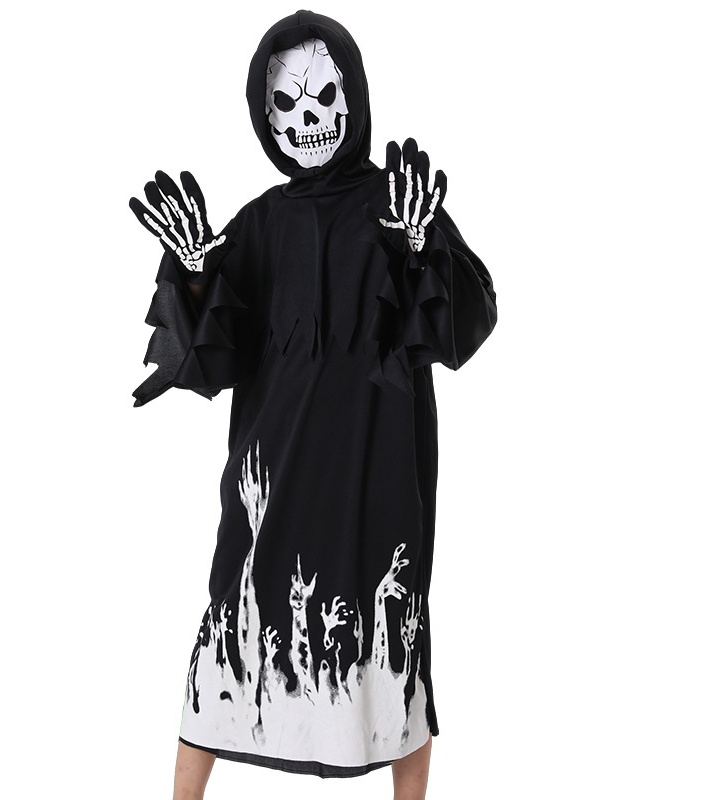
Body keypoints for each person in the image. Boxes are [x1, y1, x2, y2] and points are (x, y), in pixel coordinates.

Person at [128, 10, 497, 799]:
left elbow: (464, 318)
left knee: (392, 629)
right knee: (231, 626)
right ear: (264, 118)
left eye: (323, 96)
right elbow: (213, 355)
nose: (308, 119)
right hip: (274, 470)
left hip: (377, 462)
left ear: (352, 95)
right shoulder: (260, 223)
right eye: (286, 105)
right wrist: (193, 276)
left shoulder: (399, 206)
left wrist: (421, 248)